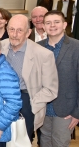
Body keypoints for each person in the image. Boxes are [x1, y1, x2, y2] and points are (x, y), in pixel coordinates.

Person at [0, 14, 59, 142]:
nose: (14, 34)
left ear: (28, 33)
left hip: (26, 102)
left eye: (20, 30)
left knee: (21, 142)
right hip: (0, 100)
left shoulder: (44, 55)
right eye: (11, 29)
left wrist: (32, 104)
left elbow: (51, 89)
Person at [39, 10, 79, 147]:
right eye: (48, 23)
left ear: (64, 24)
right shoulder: (38, 47)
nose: (52, 25)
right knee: (44, 142)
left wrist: (77, 113)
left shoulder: (76, 47)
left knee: (60, 143)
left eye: (57, 22)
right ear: (43, 27)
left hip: (66, 110)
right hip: (43, 108)